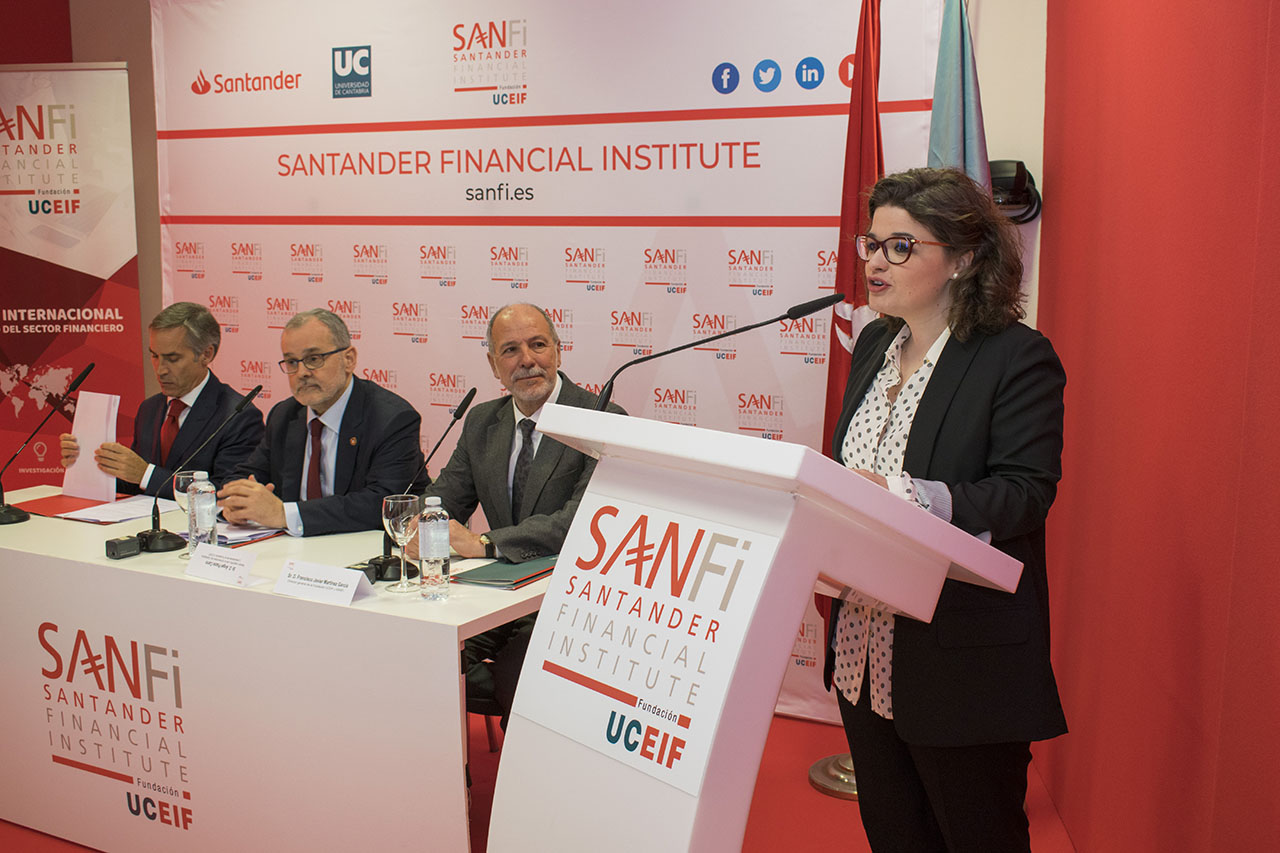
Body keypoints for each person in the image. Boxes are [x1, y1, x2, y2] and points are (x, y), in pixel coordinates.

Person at [822, 167, 1067, 852]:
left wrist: (907, 497)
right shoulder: (874, 345)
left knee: (977, 835)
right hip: (863, 651)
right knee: (894, 834)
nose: (876, 261)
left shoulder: (1015, 357)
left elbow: (1025, 492)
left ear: (963, 259)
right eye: (872, 242)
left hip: (961, 662)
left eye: (901, 246)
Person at [407, 303, 625, 723]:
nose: (526, 360)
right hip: (494, 595)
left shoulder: (601, 418)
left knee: (519, 675)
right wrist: (421, 525)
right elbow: (444, 499)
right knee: (417, 651)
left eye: (538, 345)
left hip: (566, 601)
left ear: (558, 351)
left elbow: (582, 523)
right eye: (510, 350)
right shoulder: (481, 421)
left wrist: (485, 543)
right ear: (493, 364)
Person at [217, 308, 423, 536]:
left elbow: (383, 503)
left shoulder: (392, 419)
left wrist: (284, 514)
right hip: (292, 550)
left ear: (349, 359)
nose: (302, 372)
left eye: (314, 359)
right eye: (292, 362)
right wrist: (235, 502)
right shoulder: (285, 415)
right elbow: (247, 474)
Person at [58, 301, 263, 499]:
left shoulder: (238, 416)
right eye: (155, 356)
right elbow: (135, 484)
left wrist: (145, 474)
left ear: (206, 354)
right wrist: (89, 463)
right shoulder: (150, 408)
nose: (160, 370)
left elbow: (225, 493)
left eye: (173, 359)